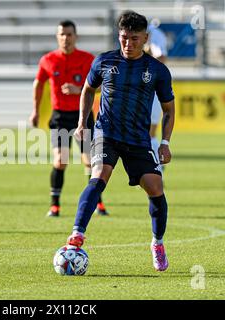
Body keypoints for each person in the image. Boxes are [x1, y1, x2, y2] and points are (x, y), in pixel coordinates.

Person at [65, 11, 175, 272]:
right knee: (99, 175)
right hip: (107, 133)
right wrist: (82, 122)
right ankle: (77, 234)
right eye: (124, 38)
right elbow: (88, 90)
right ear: (119, 35)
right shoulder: (104, 61)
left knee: (155, 187)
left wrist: (165, 143)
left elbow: (169, 109)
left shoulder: (157, 70)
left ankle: (157, 242)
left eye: (135, 39)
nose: (128, 44)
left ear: (145, 38)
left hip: (138, 139)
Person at [30, 20, 108, 217]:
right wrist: (35, 111)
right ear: (57, 37)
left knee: (91, 161)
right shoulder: (48, 60)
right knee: (60, 160)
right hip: (60, 117)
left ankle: (96, 202)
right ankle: (54, 205)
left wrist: (79, 90)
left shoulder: (87, 59)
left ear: (76, 36)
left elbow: (101, 86)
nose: (66, 38)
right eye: (62, 34)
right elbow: (38, 85)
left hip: (83, 115)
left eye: (69, 34)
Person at [145, 19, 168, 164]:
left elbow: (161, 57)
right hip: (142, 87)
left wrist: (144, 55)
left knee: (150, 132)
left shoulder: (154, 33)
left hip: (152, 88)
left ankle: (155, 169)